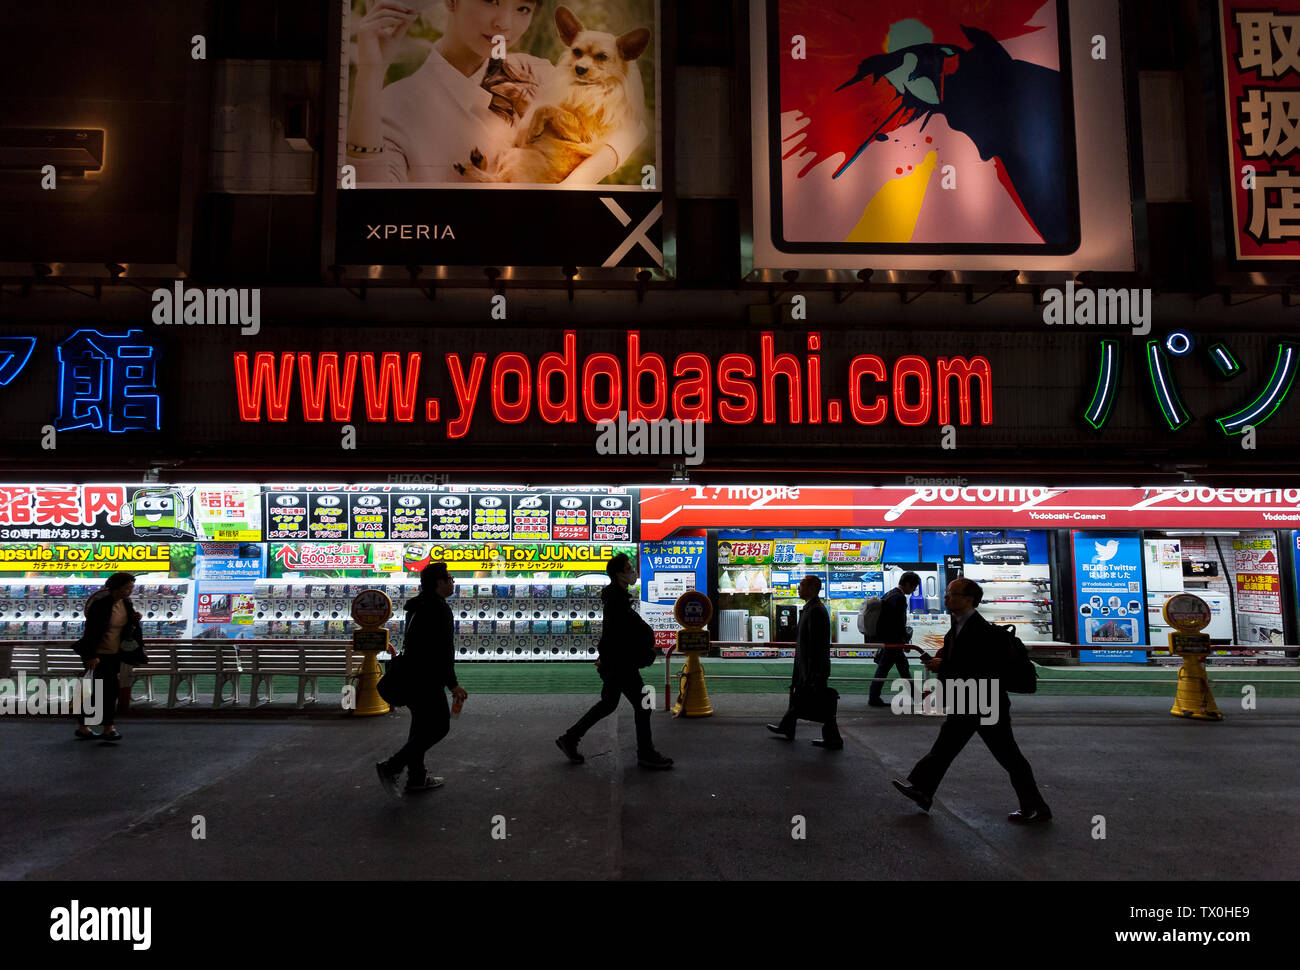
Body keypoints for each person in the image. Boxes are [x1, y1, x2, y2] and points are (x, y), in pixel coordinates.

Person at [346, 0, 646, 184]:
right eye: (491, 0)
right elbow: (368, 205)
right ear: (451, 0)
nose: (504, 22)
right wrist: (370, 76)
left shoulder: (535, 70)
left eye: (522, 8)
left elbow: (634, 128)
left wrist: (579, 182)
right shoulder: (395, 104)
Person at [892, 578, 1052, 824]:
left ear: (969, 598)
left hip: (986, 704)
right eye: (947, 593)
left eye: (952, 594)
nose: (947, 598)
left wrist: (943, 665)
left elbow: (982, 667)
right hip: (968, 701)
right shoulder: (958, 626)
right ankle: (922, 790)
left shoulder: (980, 630)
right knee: (945, 749)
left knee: (1009, 757)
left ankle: (1037, 807)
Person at [556, 553, 672, 769]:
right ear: (619, 574)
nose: (633, 572)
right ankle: (646, 754)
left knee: (608, 704)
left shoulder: (617, 597)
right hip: (622, 663)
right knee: (643, 705)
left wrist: (605, 656)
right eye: (629, 569)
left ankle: (570, 738)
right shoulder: (617, 600)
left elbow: (612, 634)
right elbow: (619, 634)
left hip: (616, 661)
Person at [376, 562, 468, 797]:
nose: (453, 581)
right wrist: (453, 684)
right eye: (449, 578)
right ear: (439, 583)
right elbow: (443, 651)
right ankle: (392, 766)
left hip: (412, 675)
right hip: (427, 678)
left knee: (420, 727)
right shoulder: (439, 608)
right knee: (439, 726)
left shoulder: (418, 605)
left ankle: (417, 777)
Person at [767, 574, 842, 749]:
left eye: (801, 585)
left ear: (813, 588)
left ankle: (833, 738)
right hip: (807, 665)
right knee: (800, 696)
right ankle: (788, 727)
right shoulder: (811, 608)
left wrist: (812, 671)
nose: (798, 589)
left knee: (816, 700)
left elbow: (816, 645)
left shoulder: (815, 610)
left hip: (813, 666)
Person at [72, 572, 142, 742]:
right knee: (106, 691)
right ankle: (106, 728)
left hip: (114, 654)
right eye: (127, 588)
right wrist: (90, 656)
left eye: (131, 588)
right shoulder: (101, 605)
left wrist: (134, 619)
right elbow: (90, 633)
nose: (129, 591)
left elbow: (124, 627)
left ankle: (88, 727)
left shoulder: (126, 603)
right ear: (116, 587)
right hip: (98, 656)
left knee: (105, 691)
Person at [868, 571, 921, 707]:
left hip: (889, 640)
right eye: (914, 586)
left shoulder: (889, 594)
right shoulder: (899, 598)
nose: (914, 589)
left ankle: (916, 696)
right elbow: (897, 622)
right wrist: (903, 640)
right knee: (886, 668)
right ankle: (873, 698)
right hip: (894, 641)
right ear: (908, 584)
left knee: (900, 668)